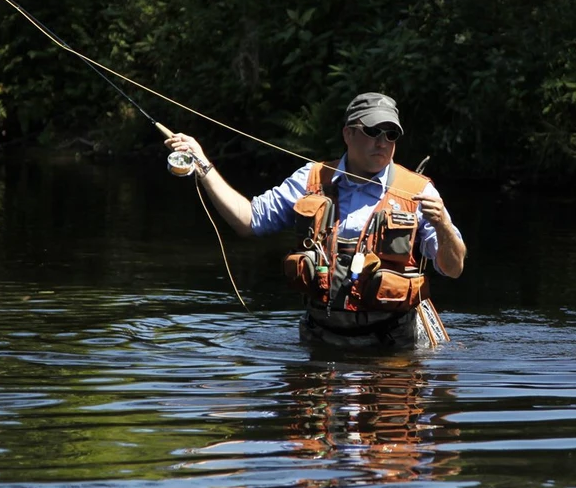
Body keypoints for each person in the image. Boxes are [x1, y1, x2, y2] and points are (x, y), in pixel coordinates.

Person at [164, 92, 466, 348]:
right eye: (373, 132)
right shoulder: (311, 179)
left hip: (393, 347)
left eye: (391, 135)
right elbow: (249, 219)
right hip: (321, 340)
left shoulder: (419, 192)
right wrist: (202, 165)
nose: (382, 142)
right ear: (348, 133)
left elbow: (453, 269)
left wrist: (442, 225)